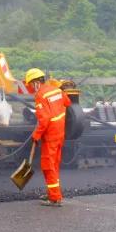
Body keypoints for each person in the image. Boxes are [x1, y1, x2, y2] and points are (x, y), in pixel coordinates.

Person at [25, 67, 70, 206]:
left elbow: (44, 120)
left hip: (50, 136)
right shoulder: (56, 90)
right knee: (54, 165)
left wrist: (36, 135)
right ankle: (53, 193)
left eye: (31, 84)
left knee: (48, 166)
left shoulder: (40, 95)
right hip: (60, 133)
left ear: (36, 82)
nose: (31, 88)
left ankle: (54, 198)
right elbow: (67, 102)